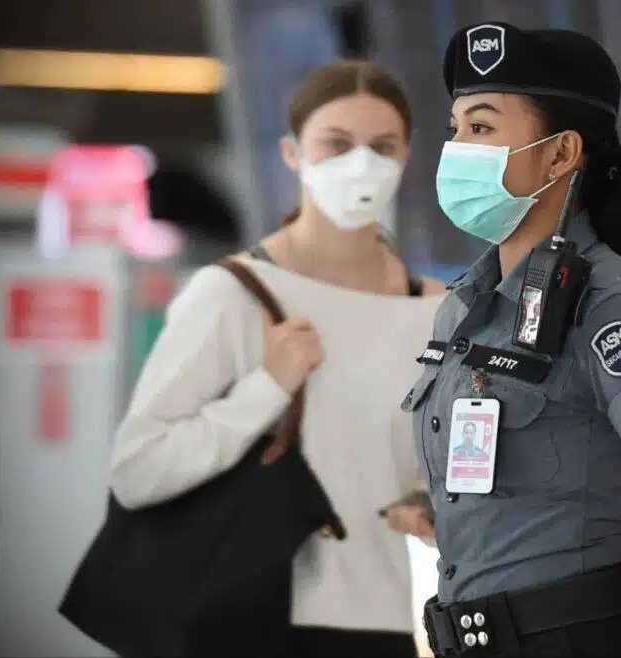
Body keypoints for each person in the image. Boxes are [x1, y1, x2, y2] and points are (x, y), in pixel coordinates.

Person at [402, 22, 621, 658]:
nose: (457, 147)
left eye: (483, 128)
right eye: (456, 128)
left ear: (561, 153)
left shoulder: (606, 306)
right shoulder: (463, 305)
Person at [108, 59, 445, 657]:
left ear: (406, 160)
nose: (360, 164)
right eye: (336, 144)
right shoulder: (233, 295)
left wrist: (426, 501)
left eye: (382, 146)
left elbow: (419, 464)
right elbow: (139, 470)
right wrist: (266, 387)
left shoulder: (436, 311)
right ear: (294, 154)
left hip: (384, 622)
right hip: (253, 617)